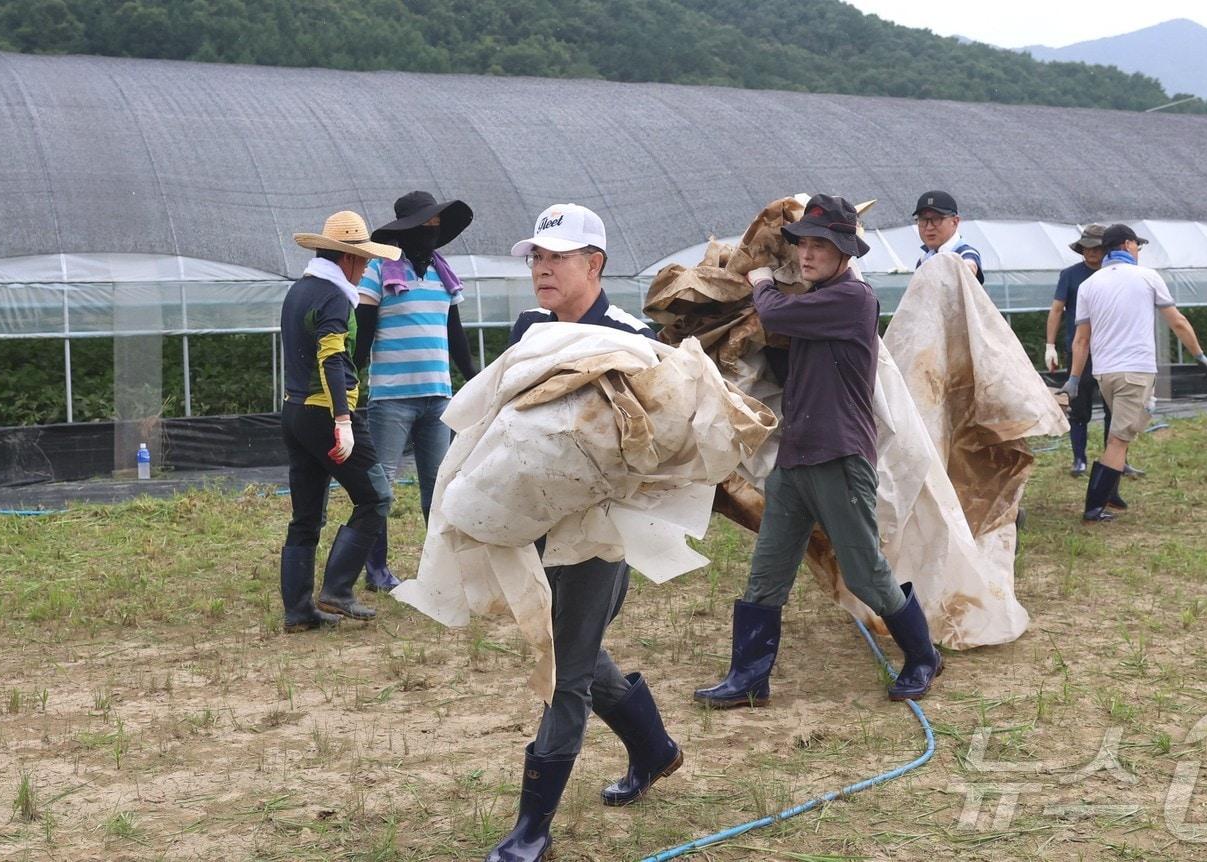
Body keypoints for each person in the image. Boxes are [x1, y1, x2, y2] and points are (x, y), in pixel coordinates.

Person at [693, 194, 943, 713]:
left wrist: (760, 280)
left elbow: (774, 310)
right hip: (797, 457)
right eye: (802, 244)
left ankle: (923, 656)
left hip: (840, 457)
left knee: (864, 571)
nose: (807, 254)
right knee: (767, 570)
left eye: (820, 245)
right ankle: (748, 677)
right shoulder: (813, 302)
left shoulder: (852, 299)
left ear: (845, 252)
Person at [484, 204, 680, 862]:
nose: (541, 268)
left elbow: (662, 436)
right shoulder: (530, 329)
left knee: (564, 671)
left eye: (556, 258)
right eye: (535, 257)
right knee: (571, 644)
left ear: (593, 265)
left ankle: (531, 831)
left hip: (600, 529)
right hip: (539, 518)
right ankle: (654, 749)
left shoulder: (629, 338)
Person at [278, 211, 400, 632]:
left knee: (305, 516)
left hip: (293, 411)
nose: (366, 267)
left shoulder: (300, 291)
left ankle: (297, 612)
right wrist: (343, 420)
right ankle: (338, 590)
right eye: (363, 259)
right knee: (376, 497)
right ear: (346, 258)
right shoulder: (333, 296)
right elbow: (331, 357)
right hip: (325, 413)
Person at [354, 191, 479, 592]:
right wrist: (346, 381)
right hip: (391, 398)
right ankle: (376, 570)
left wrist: (476, 379)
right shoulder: (378, 270)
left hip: (438, 397)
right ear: (403, 232)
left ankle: (438, 568)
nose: (431, 233)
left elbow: (455, 335)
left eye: (435, 227)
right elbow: (364, 334)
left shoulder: (444, 275)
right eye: (423, 226)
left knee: (439, 486)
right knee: (380, 489)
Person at [1064, 224, 1207, 521]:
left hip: (1104, 373)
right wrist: (1198, 354)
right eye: (1138, 246)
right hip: (1136, 371)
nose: (1139, 251)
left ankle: (1111, 494)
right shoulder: (1147, 277)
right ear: (1128, 244)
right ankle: (1095, 506)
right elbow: (1178, 322)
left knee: (1116, 435)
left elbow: (1081, 339)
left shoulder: (1089, 285)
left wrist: (1075, 378)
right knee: (1120, 439)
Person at [1046, 224, 1112, 476]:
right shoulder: (1070, 275)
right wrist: (1049, 345)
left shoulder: (1114, 274)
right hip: (1080, 350)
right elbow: (1056, 310)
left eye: (1096, 248)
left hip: (1109, 350)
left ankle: (1112, 460)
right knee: (1079, 406)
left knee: (1112, 407)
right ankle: (1079, 458)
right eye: (1086, 248)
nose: (1091, 252)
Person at [912, 190, 984, 284]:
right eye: (923, 220)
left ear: (955, 221)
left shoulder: (964, 253)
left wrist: (966, 268)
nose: (929, 227)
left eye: (936, 219)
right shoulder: (923, 261)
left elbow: (970, 264)